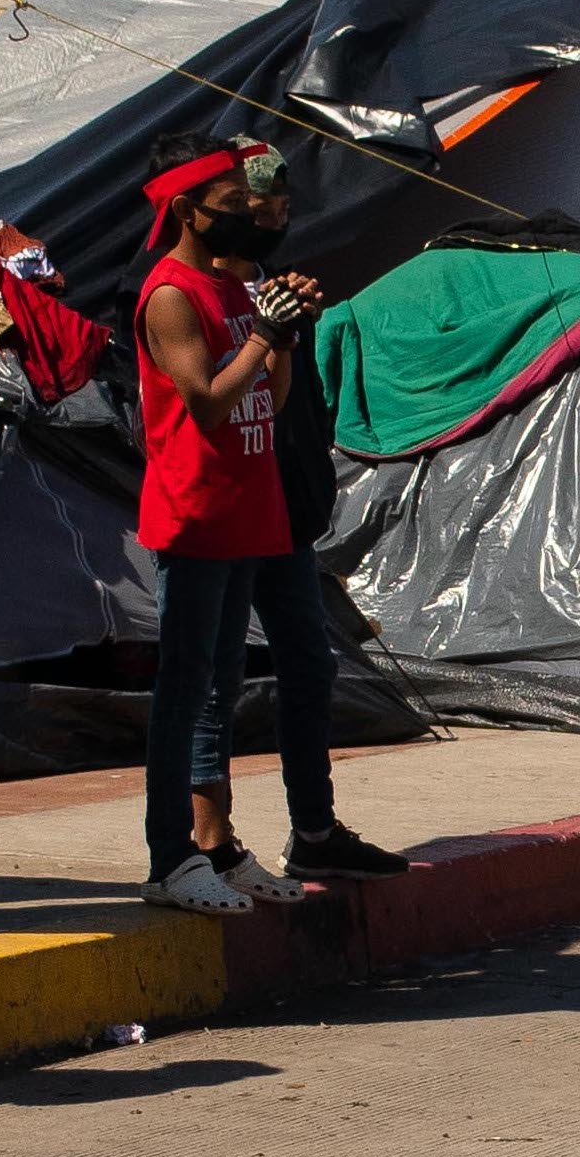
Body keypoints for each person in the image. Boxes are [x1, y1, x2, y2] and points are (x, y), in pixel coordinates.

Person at [132, 137, 410, 910]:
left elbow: (275, 398)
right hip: (194, 517)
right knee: (186, 691)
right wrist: (261, 334)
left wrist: (281, 331)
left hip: (249, 513)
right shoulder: (172, 294)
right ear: (191, 210)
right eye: (233, 203)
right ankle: (171, 854)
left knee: (223, 676)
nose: (252, 216)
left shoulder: (234, 287)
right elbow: (208, 401)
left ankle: (222, 851)